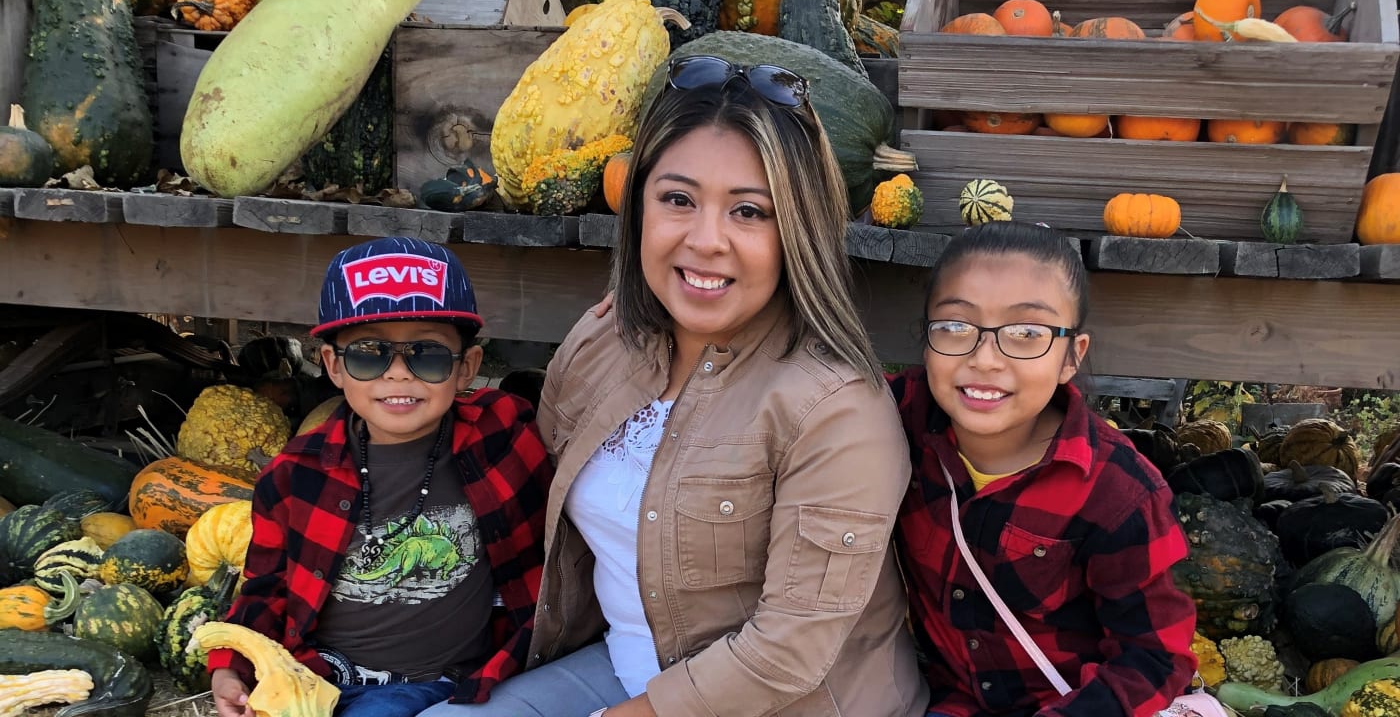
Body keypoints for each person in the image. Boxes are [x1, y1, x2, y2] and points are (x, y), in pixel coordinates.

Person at [420, 54, 927, 717]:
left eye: (749, 212)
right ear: (637, 208)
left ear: (797, 231)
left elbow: (787, 651)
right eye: (678, 200)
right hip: (626, 669)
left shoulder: (835, 408)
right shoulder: (600, 344)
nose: (705, 239)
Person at [208, 236, 553, 717]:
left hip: (449, 680)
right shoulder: (293, 477)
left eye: (427, 355)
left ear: (466, 369)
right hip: (321, 675)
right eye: (369, 354)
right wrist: (231, 665)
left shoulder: (503, 437)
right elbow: (266, 590)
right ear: (332, 365)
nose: (397, 374)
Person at [887, 221, 1198, 717]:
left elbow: (1155, 657)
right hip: (950, 699)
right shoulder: (892, 418)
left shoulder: (1119, 492)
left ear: (1072, 357)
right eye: (954, 326)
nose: (984, 359)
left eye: (1028, 333)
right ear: (926, 341)